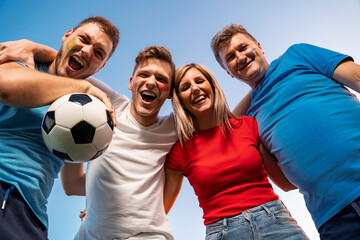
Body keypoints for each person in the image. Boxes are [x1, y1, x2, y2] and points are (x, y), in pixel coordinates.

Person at [211, 24, 360, 239]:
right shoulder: (248, 119)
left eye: (243, 47)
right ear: (229, 72)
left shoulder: (298, 55)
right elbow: (285, 183)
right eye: (231, 58)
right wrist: (253, 95)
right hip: (333, 216)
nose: (241, 57)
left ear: (259, 46)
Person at [0, 16, 119, 239]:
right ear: (67, 36)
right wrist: (83, 86)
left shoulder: (86, 112)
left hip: (32, 216)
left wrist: (123, 193)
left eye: (98, 52)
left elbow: (72, 183)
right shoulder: (23, 63)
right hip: (4, 183)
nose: (86, 51)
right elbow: (5, 88)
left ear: (101, 66)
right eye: (83, 39)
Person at [164, 63, 308, 240]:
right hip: (222, 232)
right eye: (185, 87)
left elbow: (286, 184)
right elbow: (161, 210)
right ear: (180, 101)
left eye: (200, 81)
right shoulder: (179, 151)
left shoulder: (248, 126)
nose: (195, 88)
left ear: (212, 86)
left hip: (275, 220)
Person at [60, 46, 178, 239]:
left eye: (162, 79)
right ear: (131, 82)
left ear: (171, 92)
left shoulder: (173, 127)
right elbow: (69, 71)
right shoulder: (107, 106)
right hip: (90, 234)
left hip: (146, 235)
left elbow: (223, 117)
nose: (151, 82)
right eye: (144, 74)